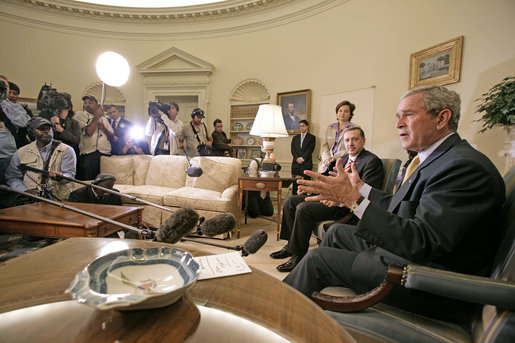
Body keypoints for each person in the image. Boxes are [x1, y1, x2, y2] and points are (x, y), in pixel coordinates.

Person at [284, 86, 505, 321]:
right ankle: (327, 305)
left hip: (429, 279)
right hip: (409, 256)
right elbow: (402, 205)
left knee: (318, 260)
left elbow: (422, 242)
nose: (398, 124)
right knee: (337, 231)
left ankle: (274, 316)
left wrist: (353, 200)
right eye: (398, 116)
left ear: (442, 118)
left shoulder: (463, 168)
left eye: (408, 115)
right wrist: (359, 189)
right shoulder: (439, 159)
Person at [273, 126, 383, 272]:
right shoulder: (342, 160)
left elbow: (367, 195)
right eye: (347, 140)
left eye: (355, 139)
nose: (350, 143)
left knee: (303, 208)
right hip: (331, 198)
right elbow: (329, 183)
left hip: (344, 206)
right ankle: (290, 246)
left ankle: (298, 256)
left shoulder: (371, 161)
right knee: (291, 201)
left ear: (363, 141)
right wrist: (315, 191)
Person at [6, 117, 76, 201]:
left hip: (59, 199)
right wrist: (25, 191)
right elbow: (12, 177)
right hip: (31, 201)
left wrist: (61, 177)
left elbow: (70, 175)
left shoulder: (66, 150)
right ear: (31, 132)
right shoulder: (21, 152)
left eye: (49, 128)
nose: (46, 131)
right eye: (42, 129)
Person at [0, 75, 31, 185]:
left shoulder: (14, 107)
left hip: (7, 157)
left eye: (4, 86)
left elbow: (22, 123)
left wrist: (3, 103)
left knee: (9, 191)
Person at [75, 96, 114, 180]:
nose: (87, 105)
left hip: (104, 153)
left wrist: (103, 128)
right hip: (89, 154)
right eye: (85, 103)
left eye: (90, 103)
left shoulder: (104, 119)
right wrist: (96, 117)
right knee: (88, 181)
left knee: (104, 182)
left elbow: (112, 137)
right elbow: (88, 132)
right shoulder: (81, 115)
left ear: (97, 105)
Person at [319, 100, 356, 174]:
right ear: (337, 113)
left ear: (350, 114)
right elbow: (324, 145)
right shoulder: (329, 127)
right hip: (326, 164)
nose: (342, 113)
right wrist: (326, 159)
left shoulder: (354, 128)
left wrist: (335, 157)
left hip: (343, 163)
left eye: (346, 111)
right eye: (340, 111)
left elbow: (353, 147)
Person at [245, 153, 276, 218]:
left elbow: (274, 182)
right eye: (269, 163)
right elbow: (252, 181)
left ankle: (259, 205)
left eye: (272, 163)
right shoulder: (255, 162)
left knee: (269, 213)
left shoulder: (274, 166)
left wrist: (276, 174)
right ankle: (245, 203)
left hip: (264, 191)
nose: (270, 165)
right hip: (253, 190)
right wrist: (263, 175)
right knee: (254, 214)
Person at [290, 119, 315, 195]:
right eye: (300, 126)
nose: (301, 128)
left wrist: (302, 158)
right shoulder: (295, 138)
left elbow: (310, 149)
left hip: (306, 164)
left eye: (303, 126)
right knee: (295, 184)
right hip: (296, 164)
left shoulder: (311, 137)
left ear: (307, 127)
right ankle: (294, 200)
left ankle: (305, 202)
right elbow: (293, 150)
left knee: (306, 185)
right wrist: (297, 158)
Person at [7, 81, 33, 148]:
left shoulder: (25, 111)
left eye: (15, 94)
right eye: (9, 92)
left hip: (20, 144)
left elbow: (30, 132)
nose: (12, 95)